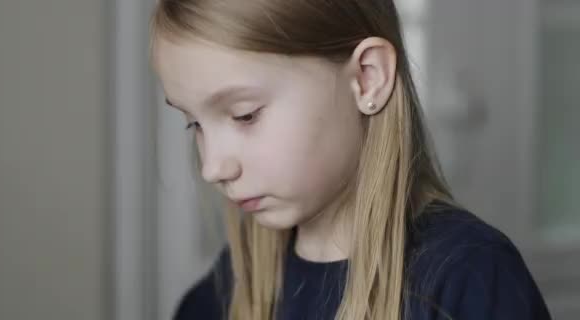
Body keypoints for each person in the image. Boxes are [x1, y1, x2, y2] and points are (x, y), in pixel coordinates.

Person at [149, 1, 552, 319]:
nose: (212, 168)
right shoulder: (232, 288)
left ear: (367, 78)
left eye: (245, 114)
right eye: (194, 124)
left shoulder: (470, 277)